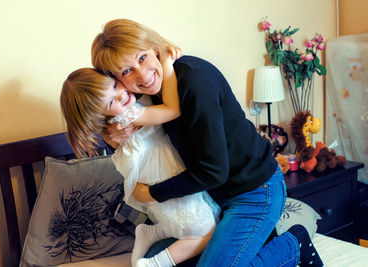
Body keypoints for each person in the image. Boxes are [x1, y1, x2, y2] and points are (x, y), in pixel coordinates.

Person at [90, 18, 324, 267]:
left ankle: (293, 244)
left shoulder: (194, 81)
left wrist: (151, 194)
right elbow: (106, 113)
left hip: (254, 191)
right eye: (126, 71)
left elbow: (214, 171)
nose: (142, 75)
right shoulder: (142, 96)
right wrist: (110, 135)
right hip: (210, 200)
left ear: (154, 47)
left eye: (142, 58)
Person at [60, 50, 220, 267]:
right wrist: (167, 63)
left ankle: (150, 233)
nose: (121, 96)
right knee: (206, 229)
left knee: (191, 220)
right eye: (110, 103)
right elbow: (172, 109)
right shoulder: (127, 116)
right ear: (101, 116)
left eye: (115, 86)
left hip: (163, 179)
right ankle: (154, 264)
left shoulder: (130, 106)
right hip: (164, 177)